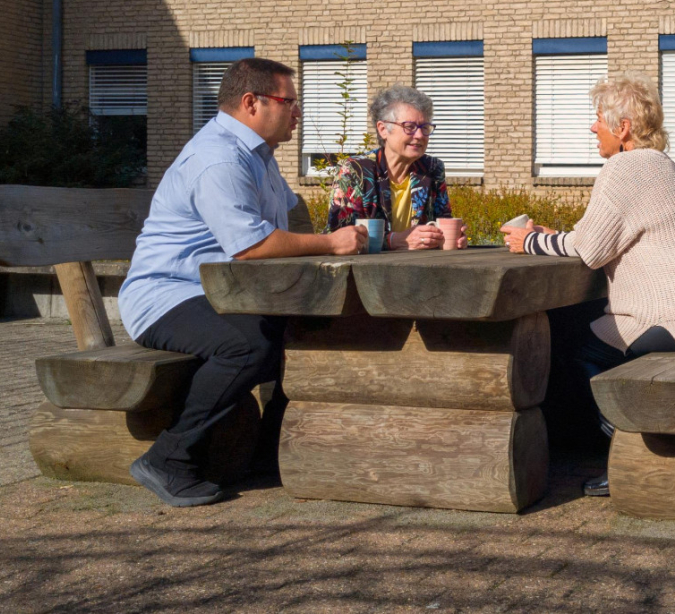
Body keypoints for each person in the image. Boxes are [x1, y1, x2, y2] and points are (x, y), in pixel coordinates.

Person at [118, 57, 368, 508]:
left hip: (222, 291)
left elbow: (280, 225)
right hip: (167, 295)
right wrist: (330, 245)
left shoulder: (257, 155)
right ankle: (169, 458)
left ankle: (270, 449)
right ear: (250, 103)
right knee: (248, 345)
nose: (298, 113)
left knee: (306, 328)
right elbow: (251, 246)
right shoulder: (217, 157)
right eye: (288, 101)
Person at [501, 73, 675, 497]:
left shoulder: (624, 167)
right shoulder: (661, 165)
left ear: (623, 127)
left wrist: (529, 241)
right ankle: (612, 437)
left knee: (568, 343)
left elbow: (590, 251)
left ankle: (625, 446)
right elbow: (602, 237)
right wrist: (559, 238)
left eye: (598, 119)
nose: (592, 128)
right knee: (583, 327)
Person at [325, 85, 467, 249]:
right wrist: (394, 240)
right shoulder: (354, 170)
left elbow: (443, 221)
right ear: (383, 129)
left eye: (425, 128)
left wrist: (454, 238)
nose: (420, 136)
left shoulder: (432, 168)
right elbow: (339, 236)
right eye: (410, 127)